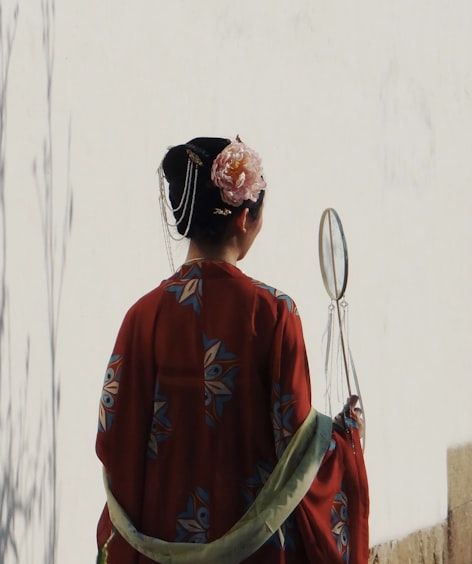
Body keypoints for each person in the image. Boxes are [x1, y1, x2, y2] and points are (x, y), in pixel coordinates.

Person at [95, 137, 368, 563]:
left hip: (160, 549)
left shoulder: (141, 318)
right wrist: (344, 439)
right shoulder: (274, 315)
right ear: (244, 219)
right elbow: (297, 459)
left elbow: (115, 443)